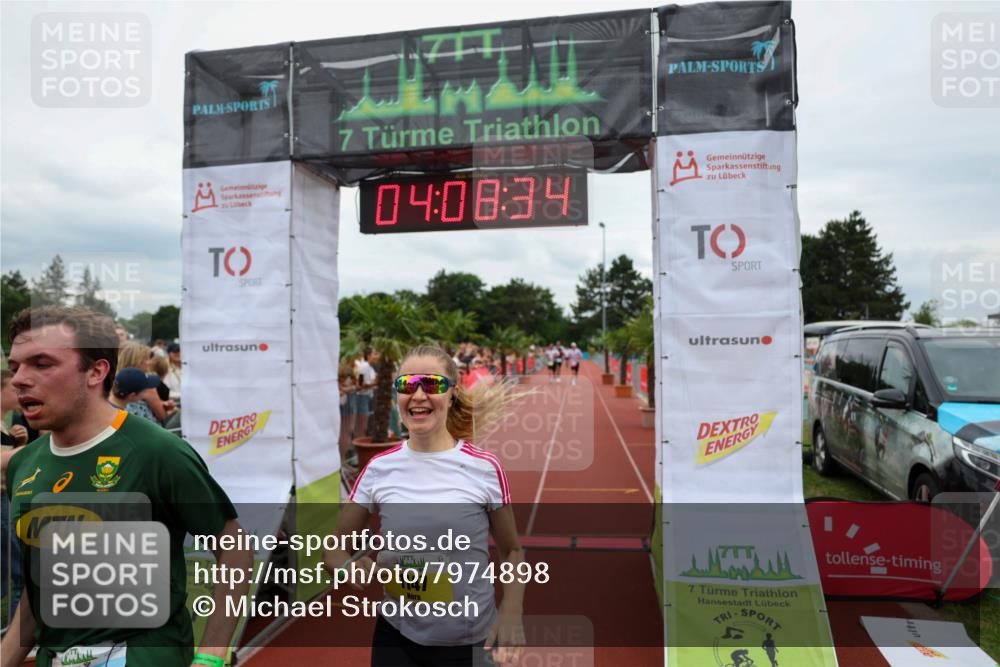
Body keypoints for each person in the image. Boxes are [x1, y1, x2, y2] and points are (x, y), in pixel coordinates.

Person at [2, 307, 252, 667]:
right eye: (16, 367)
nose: (20, 379)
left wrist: (211, 656)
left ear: (96, 371)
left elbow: (234, 548)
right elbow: (40, 589)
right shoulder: (25, 465)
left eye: (42, 364)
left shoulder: (157, 451)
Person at [325, 345, 526, 667]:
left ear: (452, 394)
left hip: (469, 643)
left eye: (431, 384)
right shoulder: (379, 468)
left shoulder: (484, 468)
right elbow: (334, 548)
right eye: (407, 385)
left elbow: (512, 550)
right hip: (396, 640)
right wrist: (346, 565)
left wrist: (512, 613)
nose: (418, 395)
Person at [353, 348, 376, 440]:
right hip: (361, 397)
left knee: (365, 424)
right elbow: (361, 385)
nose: (377, 357)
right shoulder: (364, 367)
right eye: (375, 354)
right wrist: (375, 383)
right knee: (361, 425)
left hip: (368, 397)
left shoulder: (370, 368)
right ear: (369, 356)